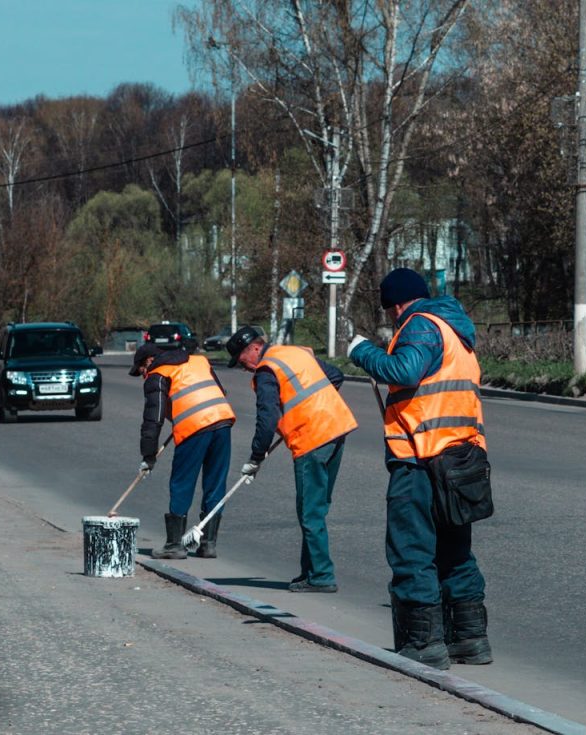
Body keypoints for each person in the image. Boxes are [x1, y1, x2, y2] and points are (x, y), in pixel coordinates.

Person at [348, 267, 492, 670]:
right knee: (455, 550)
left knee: (412, 550)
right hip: (461, 458)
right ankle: (469, 638)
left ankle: (423, 642)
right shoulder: (455, 331)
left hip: (420, 459)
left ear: (396, 304)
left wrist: (363, 351)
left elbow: (404, 371)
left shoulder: (419, 326)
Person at [226, 325, 357, 593]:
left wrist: (255, 456)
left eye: (242, 362)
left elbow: (266, 419)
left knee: (310, 511)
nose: (245, 368)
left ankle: (321, 576)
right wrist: (319, 405)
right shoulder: (294, 353)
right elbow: (336, 376)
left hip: (312, 438)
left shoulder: (266, 371)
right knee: (317, 506)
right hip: (336, 429)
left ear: (254, 348)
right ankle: (310, 571)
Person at [130, 342, 236, 560]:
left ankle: (174, 545)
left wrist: (148, 456)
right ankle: (208, 544)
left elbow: (153, 418)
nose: (143, 374)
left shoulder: (158, 374)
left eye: (141, 370)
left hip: (195, 428)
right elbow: (218, 391)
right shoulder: (199, 361)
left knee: (182, 482)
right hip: (222, 421)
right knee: (215, 483)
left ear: (149, 361)